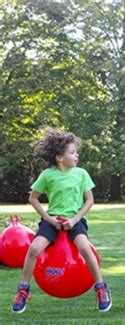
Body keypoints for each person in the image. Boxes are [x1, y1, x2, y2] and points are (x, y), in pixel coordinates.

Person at [12, 127, 112, 313]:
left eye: (76, 152)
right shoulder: (47, 175)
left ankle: (101, 288)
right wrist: (49, 219)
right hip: (52, 221)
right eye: (72, 152)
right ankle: (23, 290)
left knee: (85, 248)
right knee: (34, 249)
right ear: (59, 157)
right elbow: (33, 198)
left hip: (75, 220)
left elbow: (89, 201)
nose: (76, 156)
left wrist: (74, 220)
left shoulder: (81, 174)